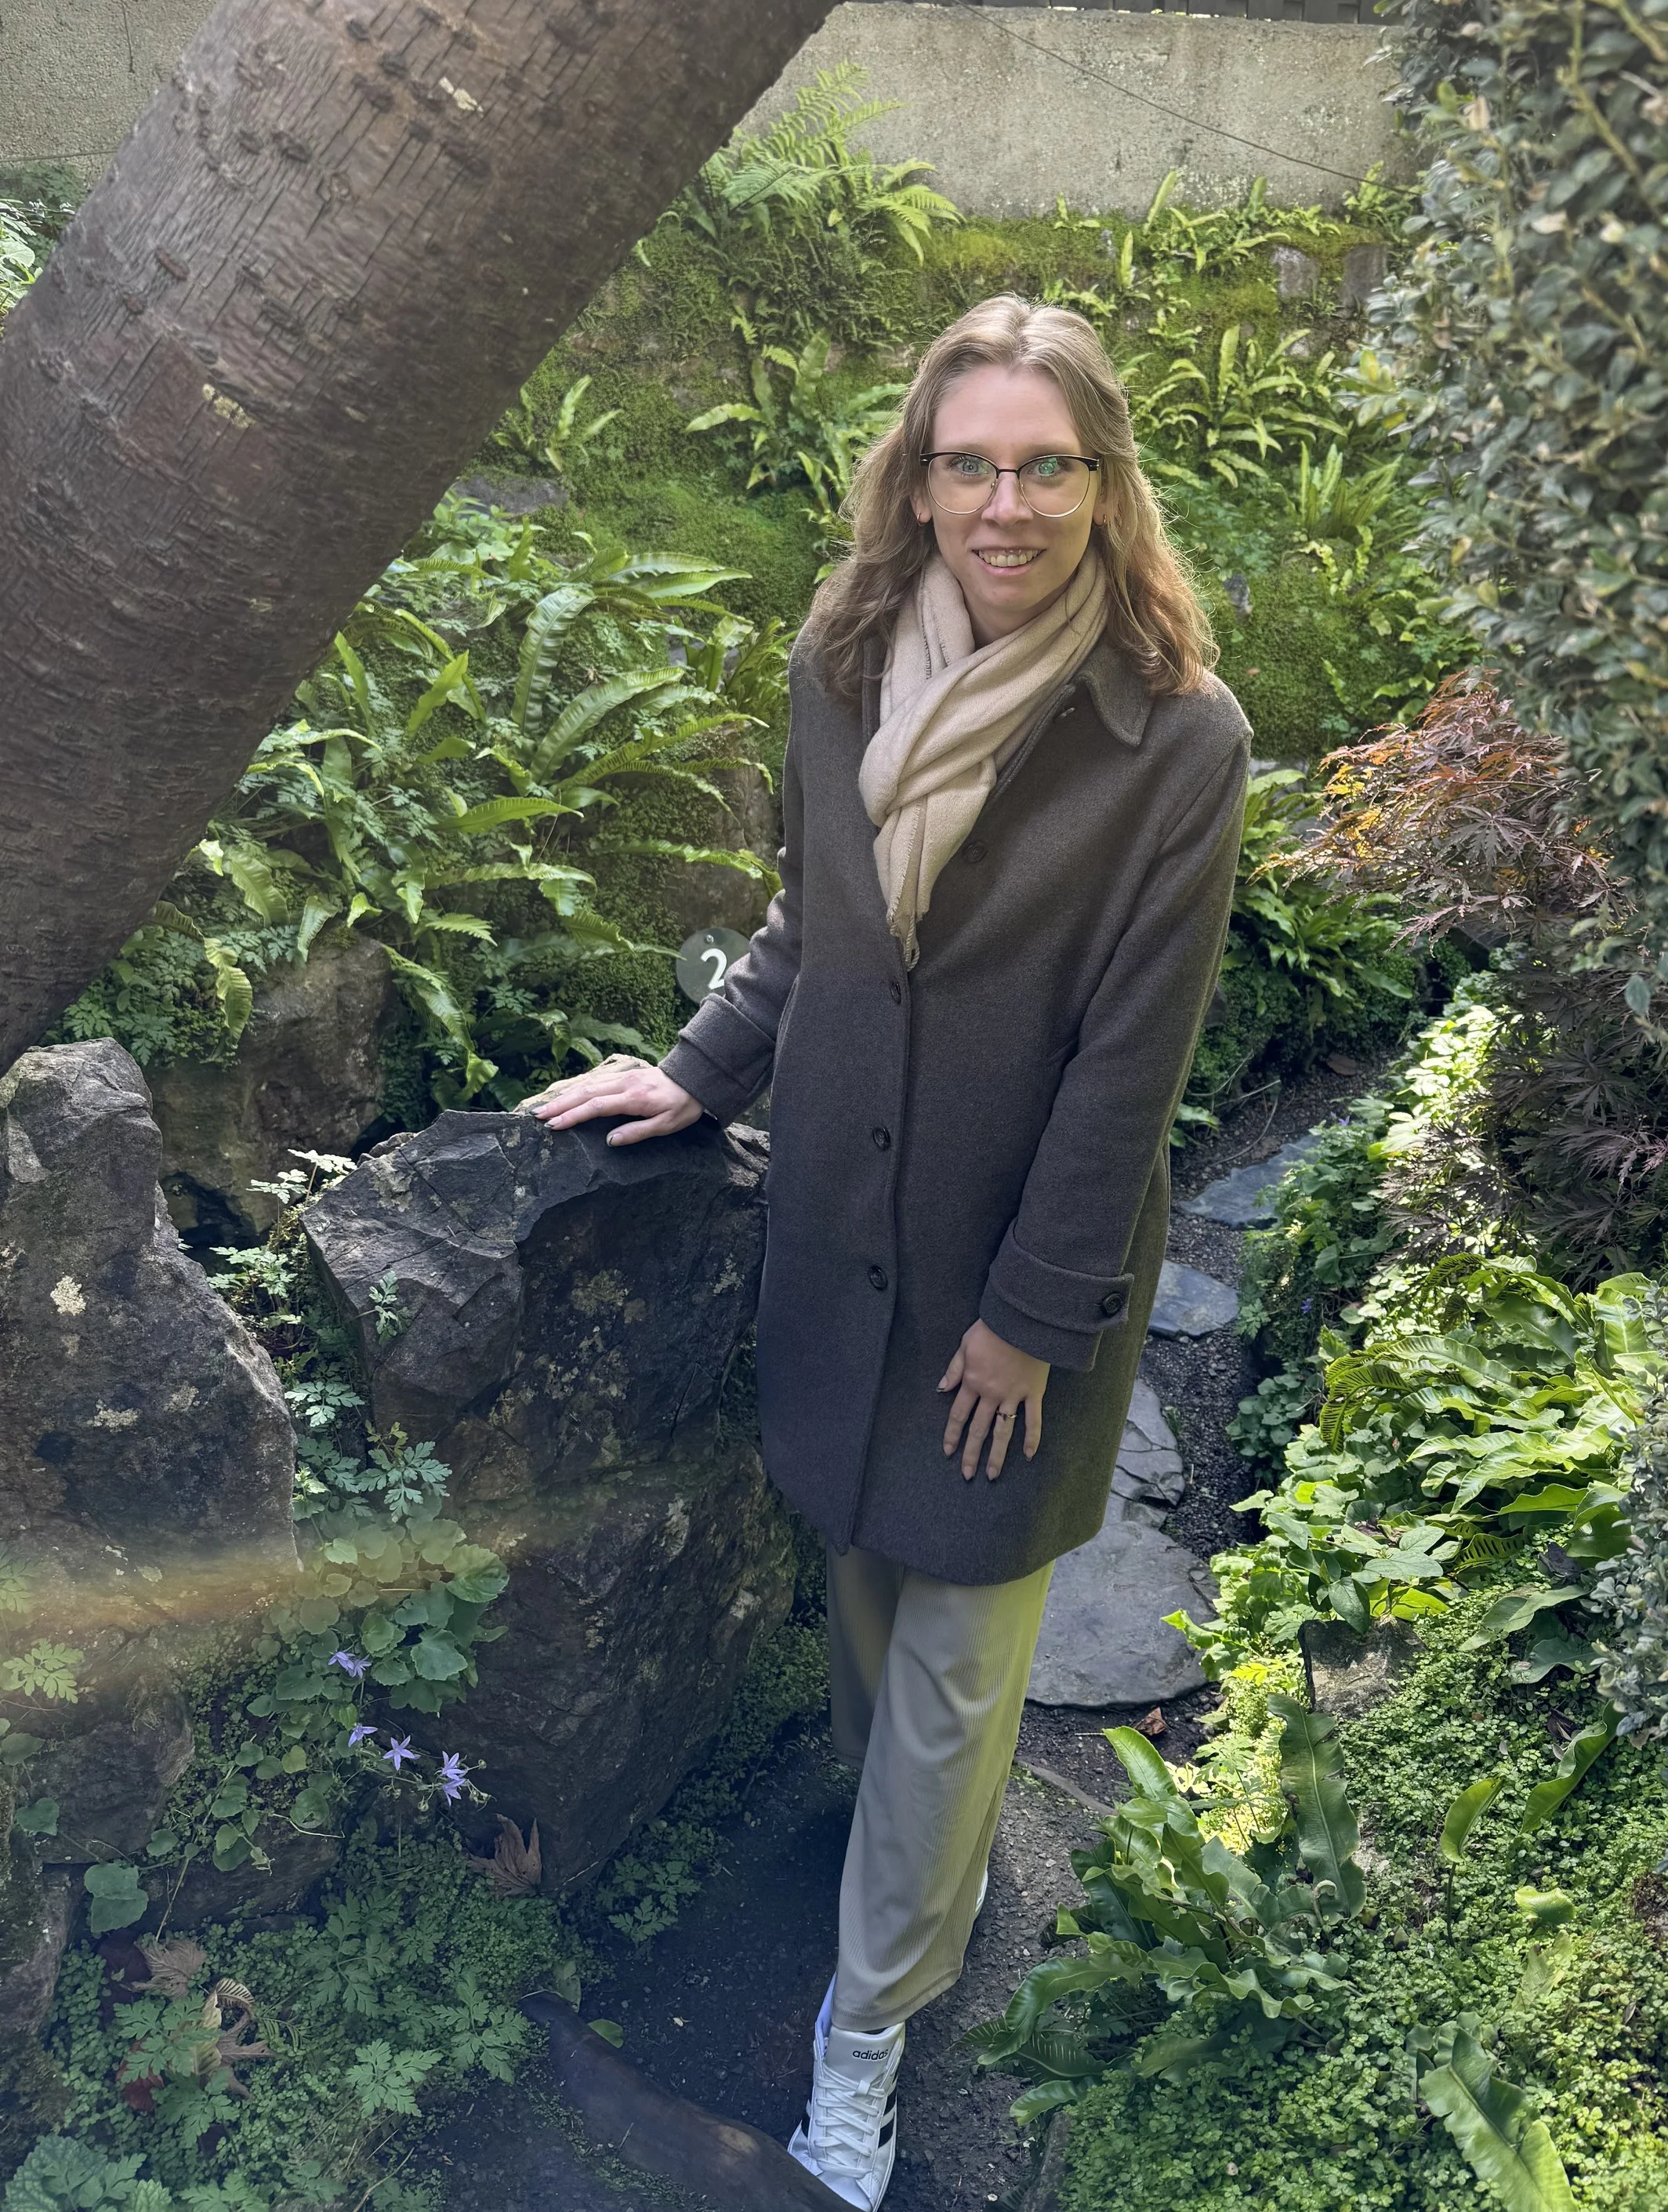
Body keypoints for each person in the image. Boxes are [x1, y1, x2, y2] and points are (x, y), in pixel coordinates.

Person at [529, 295, 1249, 2208]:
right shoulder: (842, 659)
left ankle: (868, 2021)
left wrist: (1030, 1320)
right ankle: (905, 1857)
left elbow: (1127, 1063)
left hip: (1018, 1268)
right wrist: (694, 1072)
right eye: (967, 462)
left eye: (1044, 466)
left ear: (1105, 487)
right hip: (839, 1230)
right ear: (914, 479)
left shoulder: (1171, 737)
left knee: (950, 1656)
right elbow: (807, 921)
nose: (1002, 503)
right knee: (867, 1604)